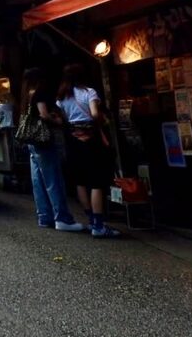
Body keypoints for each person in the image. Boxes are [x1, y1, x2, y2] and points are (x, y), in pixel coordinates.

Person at [56, 64, 120, 238]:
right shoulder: (89, 92)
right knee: (96, 181)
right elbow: (94, 114)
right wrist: (100, 118)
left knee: (80, 181)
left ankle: (91, 220)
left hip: (73, 141)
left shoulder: (62, 97)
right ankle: (99, 226)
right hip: (92, 141)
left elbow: (63, 118)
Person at [23, 68, 85, 232]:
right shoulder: (40, 93)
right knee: (53, 179)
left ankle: (44, 217)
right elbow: (43, 114)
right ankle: (62, 218)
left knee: (38, 181)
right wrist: (58, 121)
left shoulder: (27, 94)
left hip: (32, 140)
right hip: (43, 140)